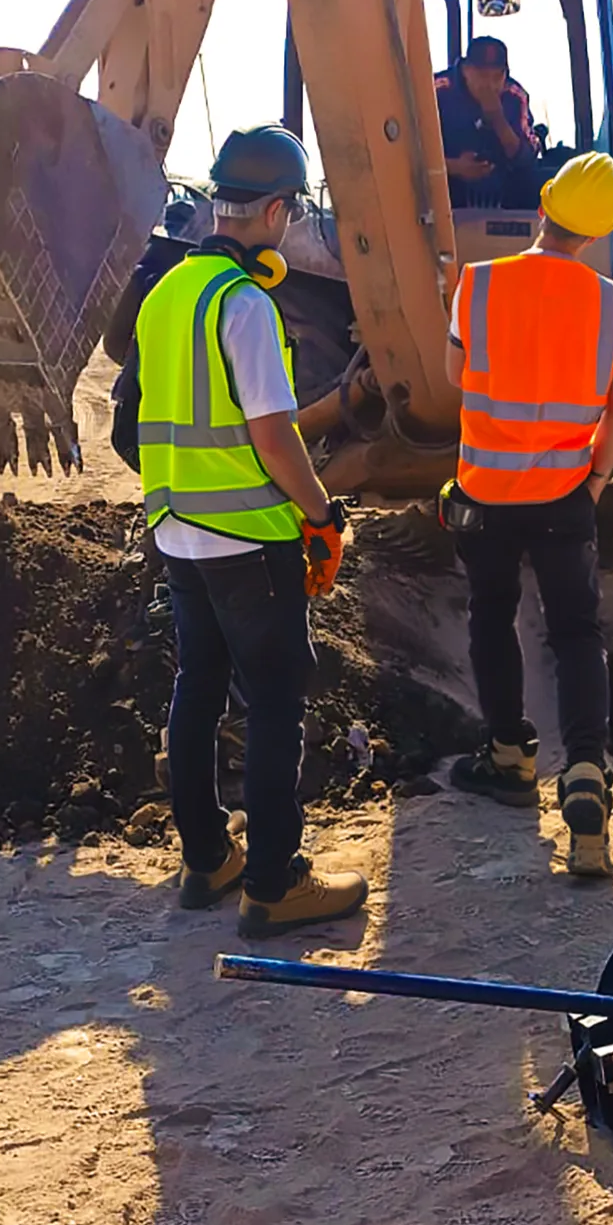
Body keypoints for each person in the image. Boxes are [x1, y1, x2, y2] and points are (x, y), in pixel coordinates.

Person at [135, 123, 367, 938]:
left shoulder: (166, 295)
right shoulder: (245, 305)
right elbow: (275, 437)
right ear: (273, 211)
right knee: (274, 702)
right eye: (292, 212)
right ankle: (275, 881)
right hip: (247, 540)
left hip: (177, 531)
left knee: (197, 686)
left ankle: (209, 858)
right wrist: (319, 514)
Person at [441, 149, 613, 878]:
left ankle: (509, 756)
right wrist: (595, 481)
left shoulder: (480, 285)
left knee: (492, 614)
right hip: (563, 496)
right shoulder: (610, 303)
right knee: (577, 632)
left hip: (485, 492)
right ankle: (585, 773)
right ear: (600, 231)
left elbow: (459, 375)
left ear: (545, 203)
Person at [434, 36, 540, 207]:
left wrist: (499, 120)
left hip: (503, 186)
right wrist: (454, 167)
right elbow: (409, 152)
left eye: (498, 76)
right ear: (466, 70)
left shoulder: (515, 96)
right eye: (482, 75)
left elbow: (528, 158)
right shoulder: (436, 90)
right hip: (445, 184)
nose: (490, 85)